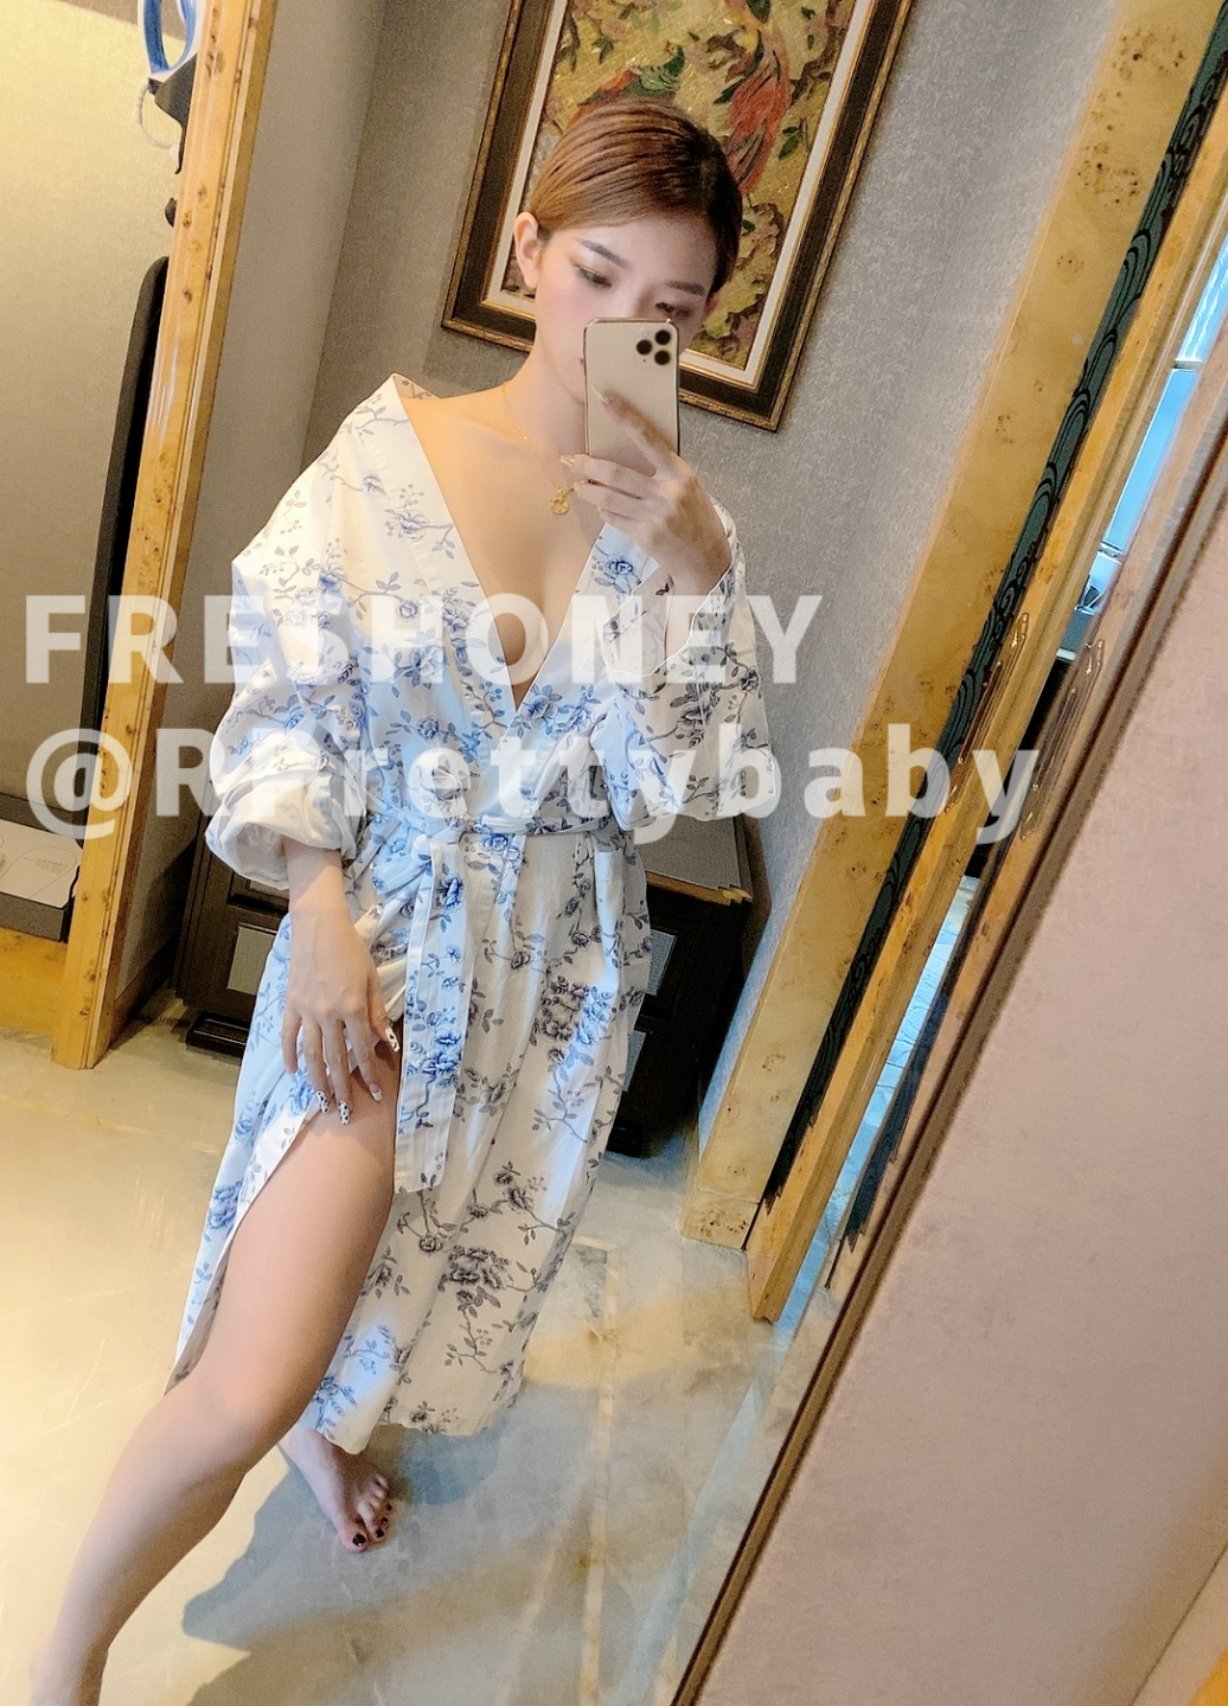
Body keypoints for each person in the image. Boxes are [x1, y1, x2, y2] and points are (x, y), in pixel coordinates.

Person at [28, 95, 778, 1705]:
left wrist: (699, 569)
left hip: (554, 972)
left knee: (428, 1258)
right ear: (527, 248)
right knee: (249, 1373)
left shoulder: (684, 528)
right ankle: (63, 1659)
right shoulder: (394, 457)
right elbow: (292, 694)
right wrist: (312, 907)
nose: (621, 328)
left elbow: (673, 786)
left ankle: (325, 1432)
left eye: (671, 308)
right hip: (385, 941)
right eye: (595, 275)